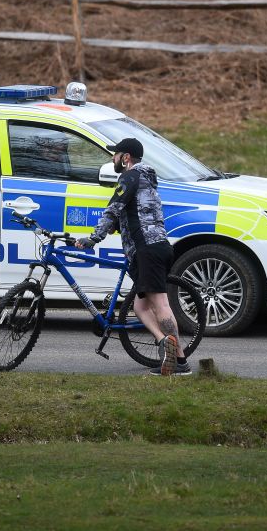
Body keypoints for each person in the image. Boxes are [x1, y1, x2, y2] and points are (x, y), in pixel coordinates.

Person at [75, 137, 188, 376]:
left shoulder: (129, 177)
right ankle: (162, 342)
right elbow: (127, 214)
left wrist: (93, 239)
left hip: (147, 248)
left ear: (126, 158)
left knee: (160, 304)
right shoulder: (147, 180)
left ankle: (180, 361)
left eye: (115, 155)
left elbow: (112, 209)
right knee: (140, 307)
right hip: (157, 246)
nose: (112, 159)